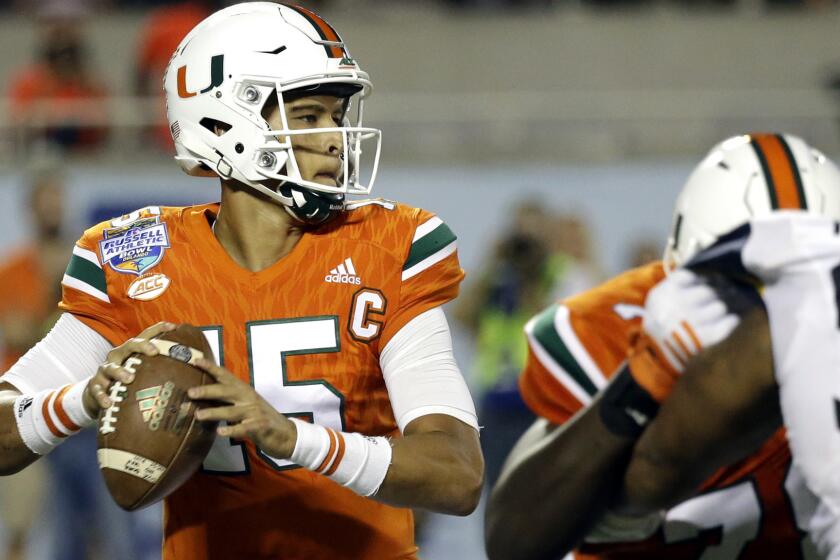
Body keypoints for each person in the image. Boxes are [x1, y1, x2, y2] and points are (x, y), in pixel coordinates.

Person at [0, 4, 483, 559]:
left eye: (335, 115)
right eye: (307, 116)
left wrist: (291, 437)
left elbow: (457, 473)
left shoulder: (389, 247)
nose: (334, 138)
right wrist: (81, 401)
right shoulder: (137, 260)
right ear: (224, 124)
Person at [485, 132, 840, 559]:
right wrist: (642, 379)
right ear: (683, 277)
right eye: (755, 285)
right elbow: (513, 540)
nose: (784, 310)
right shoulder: (626, 330)